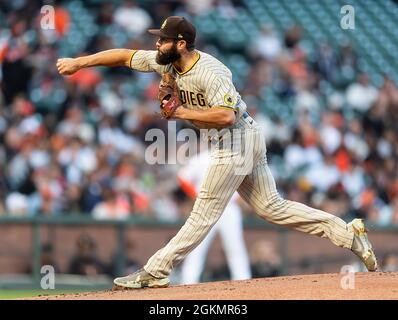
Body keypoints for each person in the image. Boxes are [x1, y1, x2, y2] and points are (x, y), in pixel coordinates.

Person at [57, 16, 378, 289]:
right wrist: (79, 63)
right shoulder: (164, 62)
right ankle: (348, 233)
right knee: (272, 207)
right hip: (237, 139)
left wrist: (179, 112)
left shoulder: (211, 72)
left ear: (181, 44)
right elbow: (124, 56)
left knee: (204, 212)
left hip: (237, 138)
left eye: (163, 40)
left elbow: (227, 115)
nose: (157, 45)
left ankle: (155, 271)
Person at [177, 147, 251, 284]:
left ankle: (243, 282)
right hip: (206, 207)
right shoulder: (202, 158)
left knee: (235, 247)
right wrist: (196, 195)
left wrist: (240, 196)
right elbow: (182, 177)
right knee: (196, 247)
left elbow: (247, 181)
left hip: (229, 207)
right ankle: (187, 282)